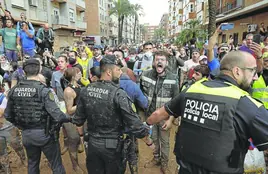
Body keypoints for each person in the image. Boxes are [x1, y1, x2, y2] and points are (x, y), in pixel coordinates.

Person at [145, 50, 268, 174]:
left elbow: (157, 114)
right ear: (237, 71)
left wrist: (146, 124)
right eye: (252, 70)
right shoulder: (246, 103)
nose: (256, 77)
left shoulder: (192, 89)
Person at [72, 55, 154, 174]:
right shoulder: (118, 94)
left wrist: (82, 137)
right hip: (113, 147)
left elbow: (78, 120)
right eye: (118, 69)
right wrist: (148, 141)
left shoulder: (86, 90)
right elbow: (134, 122)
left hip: (93, 144)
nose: (121, 72)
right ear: (109, 72)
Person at [4, 59, 71, 174]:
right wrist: (72, 119)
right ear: (40, 70)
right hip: (45, 134)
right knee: (56, 165)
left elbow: (8, 115)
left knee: (32, 164)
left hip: (26, 134)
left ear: (24, 72)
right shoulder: (43, 90)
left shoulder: (14, 91)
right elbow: (57, 115)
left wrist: (21, 125)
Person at [140, 50, 179, 174]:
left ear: (166, 63)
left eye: (162, 60)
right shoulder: (145, 75)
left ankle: (164, 164)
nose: (159, 62)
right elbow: (140, 96)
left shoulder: (173, 78)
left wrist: (171, 120)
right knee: (154, 139)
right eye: (157, 60)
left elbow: (176, 102)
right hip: (150, 116)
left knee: (165, 142)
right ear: (153, 62)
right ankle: (156, 159)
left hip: (164, 117)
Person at [0, 84, 27, 174]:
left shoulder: (3, 98)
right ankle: (7, 170)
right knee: (1, 153)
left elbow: (1, 113)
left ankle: (23, 160)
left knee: (17, 146)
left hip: (8, 127)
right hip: (5, 128)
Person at [62, 67, 84, 173]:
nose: (80, 74)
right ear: (73, 76)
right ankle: (75, 166)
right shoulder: (69, 91)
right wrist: (82, 103)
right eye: (78, 73)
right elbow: (69, 110)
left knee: (78, 138)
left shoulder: (78, 85)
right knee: (73, 142)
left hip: (79, 118)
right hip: (71, 120)